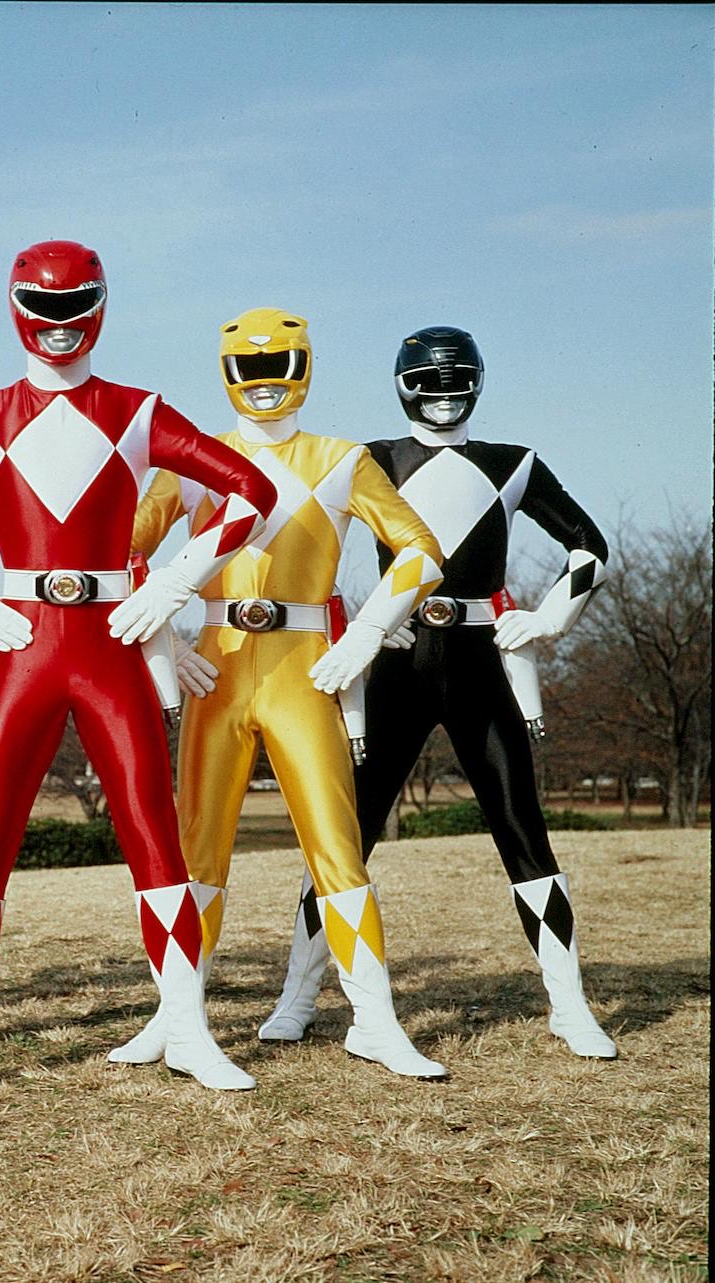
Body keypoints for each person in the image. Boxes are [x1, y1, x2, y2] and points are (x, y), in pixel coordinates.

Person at [0, 240, 279, 1104]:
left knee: (153, 834)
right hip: (25, 641)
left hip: (107, 640)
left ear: (101, 304)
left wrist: (172, 581)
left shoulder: (136, 410)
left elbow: (251, 492)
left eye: (75, 306)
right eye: (43, 308)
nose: (59, 326)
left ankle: (187, 1030)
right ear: (16, 307)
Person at [261, 326, 617, 1060]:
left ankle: (570, 1004)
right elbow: (302, 537)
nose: (443, 396)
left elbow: (589, 546)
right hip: (396, 660)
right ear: (403, 387)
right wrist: (341, 625)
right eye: (428, 382)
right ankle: (296, 995)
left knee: (523, 830)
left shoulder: (514, 463)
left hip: (480, 661)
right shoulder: (371, 459)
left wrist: (549, 618)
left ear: (478, 383)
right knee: (343, 835)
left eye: (456, 381)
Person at [112, 307, 449, 1080]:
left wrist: (367, 631)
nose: (264, 385)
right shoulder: (194, 460)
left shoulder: (342, 458)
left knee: (336, 844)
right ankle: (176, 1013)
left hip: (304, 665)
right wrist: (167, 646)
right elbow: (122, 553)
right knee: (196, 849)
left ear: (304, 367)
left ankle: (375, 1019)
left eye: (278, 367)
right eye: (249, 370)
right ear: (227, 373)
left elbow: (423, 551)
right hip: (219, 665)